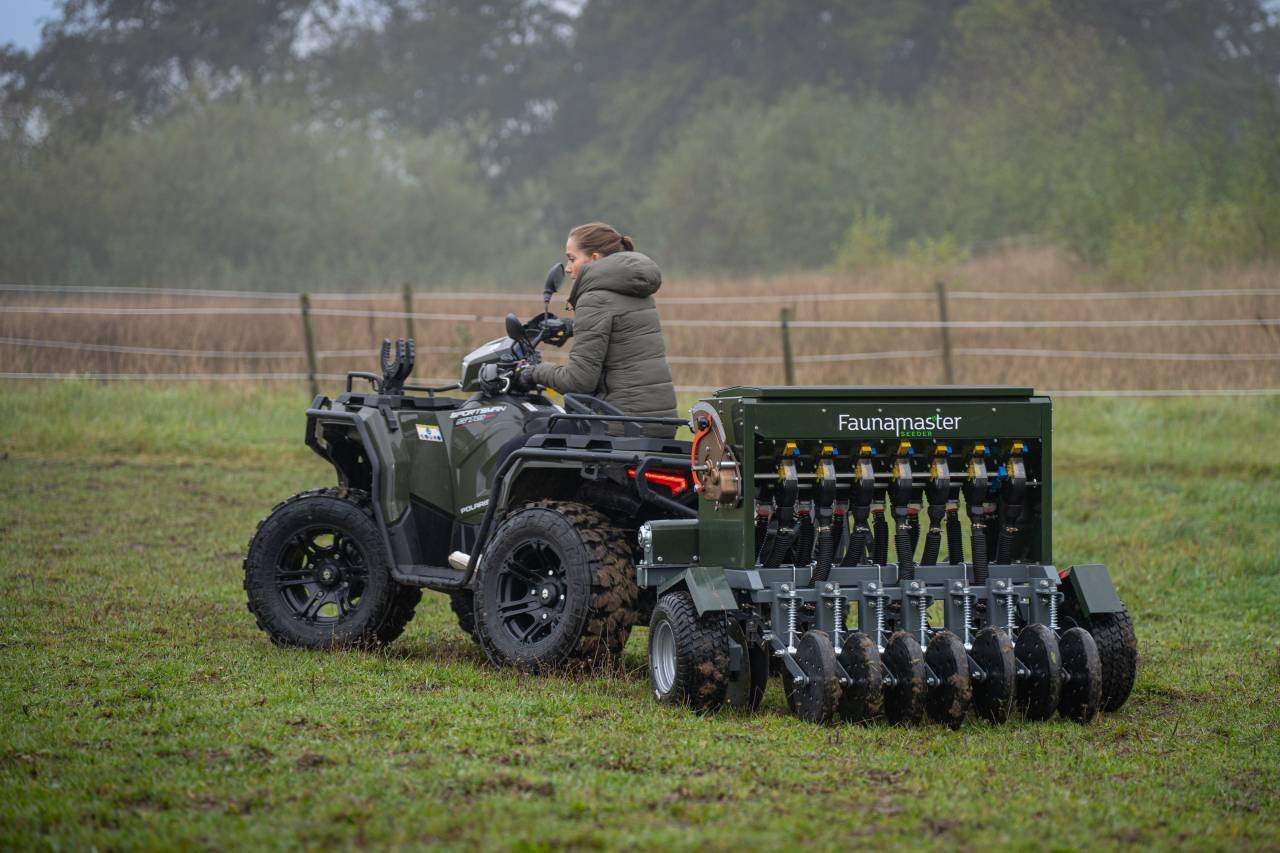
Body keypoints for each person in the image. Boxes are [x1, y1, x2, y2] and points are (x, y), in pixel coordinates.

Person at [519, 222, 678, 437]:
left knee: (517, 444)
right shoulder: (635, 289)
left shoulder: (594, 299)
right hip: (659, 422)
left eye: (572, 259)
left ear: (595, 259)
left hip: (619, 424)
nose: (567, 268)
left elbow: (578, 381)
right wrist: (572, 327)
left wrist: (534, 371)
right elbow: (621, 330)